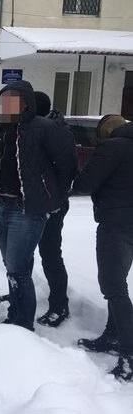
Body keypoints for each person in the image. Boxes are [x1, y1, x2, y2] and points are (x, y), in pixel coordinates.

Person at [0, 80, 76, 331]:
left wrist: (52, 195)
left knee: (18, 269)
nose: (5, 105)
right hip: (2, 205)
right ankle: (15, 312)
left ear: (26, 102)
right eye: (3, 100)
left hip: (26, 209)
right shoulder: (0, 130)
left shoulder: (43, 128)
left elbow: (66, 165)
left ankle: (22, 325)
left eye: (11, 99)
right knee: (12, 266)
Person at [74, 115, 133, 381]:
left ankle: (129, 356)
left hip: (117, 224)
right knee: (118, 284)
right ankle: (112, 335)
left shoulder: (112, 147)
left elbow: (86, 183)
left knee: (113, 286)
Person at [33, 91, 77, 327]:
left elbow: (66, 170)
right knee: (23, 253)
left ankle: (60, 305)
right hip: (31, 203)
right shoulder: (33, 128)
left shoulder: (57, 133)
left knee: (50, 254)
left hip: (52, 204)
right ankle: (22, 294)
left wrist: (55, 202)